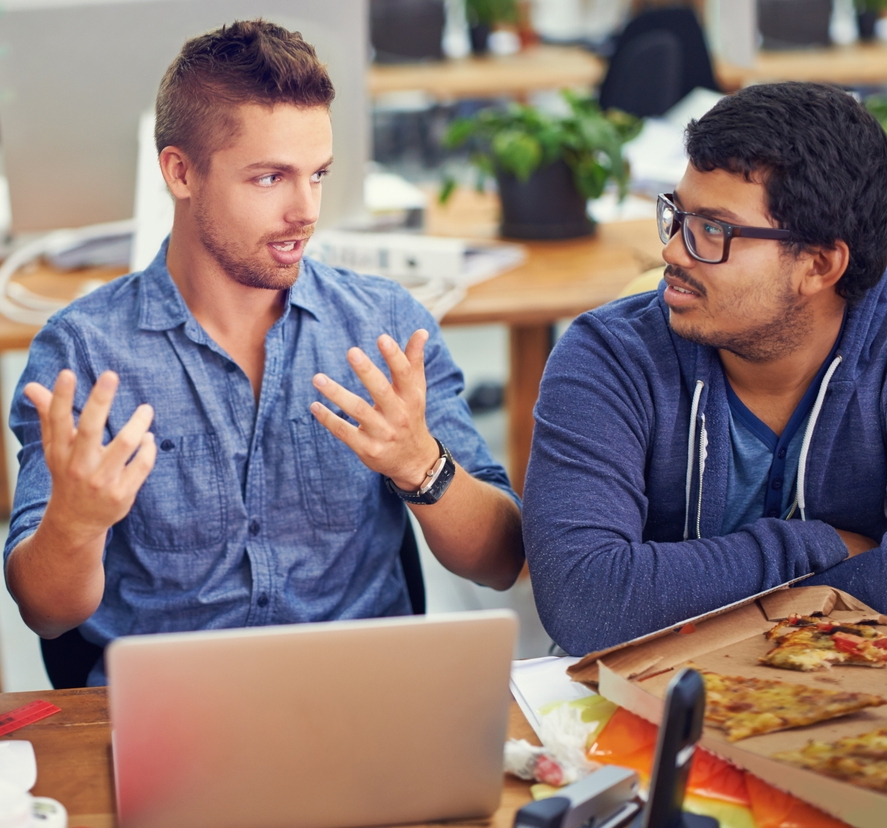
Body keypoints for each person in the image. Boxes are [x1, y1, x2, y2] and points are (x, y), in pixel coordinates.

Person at [3, 20, 524, 685]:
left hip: (361, 697)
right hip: (172, 713)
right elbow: (45, 613)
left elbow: (501, 562)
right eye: (271, 177)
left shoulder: (384, 325)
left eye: (318, 175)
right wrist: (75, 526)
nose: (306, 210)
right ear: (180, 172)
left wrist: (424, 467)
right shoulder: (84, 350)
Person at [522, 82, 887, 656]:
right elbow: (586, 604)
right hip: (637, 711)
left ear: (819, 264)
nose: (673, 251)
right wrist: (818, 547)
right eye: (677, 215)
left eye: (713, 230)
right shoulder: (606, 355)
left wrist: (660, 592)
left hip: (853, 714)